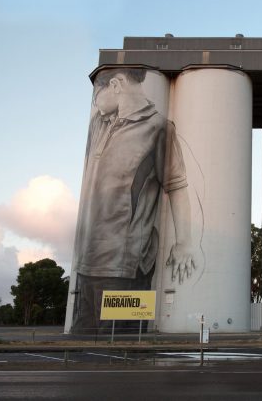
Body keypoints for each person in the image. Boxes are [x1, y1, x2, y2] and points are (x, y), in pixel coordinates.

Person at [71, 68, 196, 334]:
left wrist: (184, 242)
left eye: (97, 98)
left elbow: (176, 187)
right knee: (81, 346)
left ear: (115, 85)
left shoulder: (158, 128)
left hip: (123, 268)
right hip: (85, 263)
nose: (97, 108)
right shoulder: (99, 122)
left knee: (120, 346)